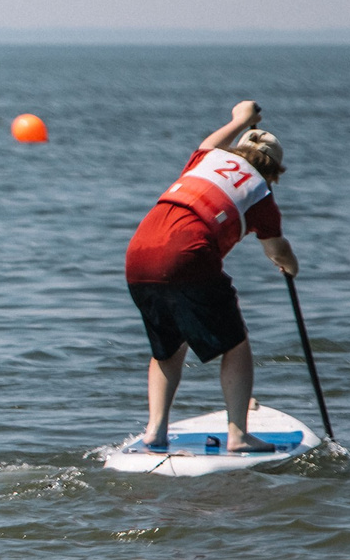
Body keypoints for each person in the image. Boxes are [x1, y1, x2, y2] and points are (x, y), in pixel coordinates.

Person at [124, 99, 300, 452]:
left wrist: (241, 118)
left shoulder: (207, 158)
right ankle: (238, 436)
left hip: (137, 254)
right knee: (235, 344)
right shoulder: (262, 196)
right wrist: (290, 266)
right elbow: (277, 250)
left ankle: (155, 431)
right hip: (188, 256)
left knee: (168, 349)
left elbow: (214, 139)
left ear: (238, 149)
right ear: (275, 172)